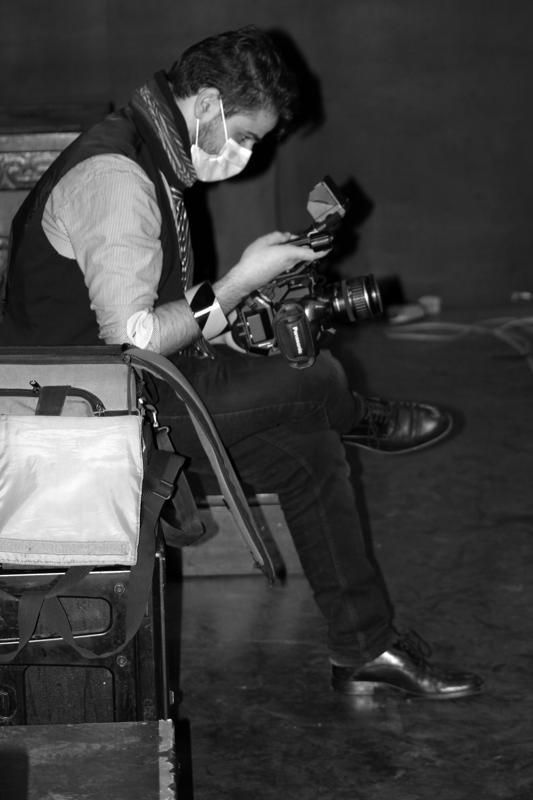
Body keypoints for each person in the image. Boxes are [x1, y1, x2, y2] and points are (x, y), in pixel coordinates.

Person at [0, 26, 482, 699]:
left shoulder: (148, 152)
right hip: (92, 416)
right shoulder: (117, 176)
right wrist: (235, 283)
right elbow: (133, 339)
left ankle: (364, 648)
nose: (249, 153)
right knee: (317, 377)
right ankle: (358, 417)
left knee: (311, 452)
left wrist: (237, 308)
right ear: (206, 104)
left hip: (133, 389)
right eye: (248, 135)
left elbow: (155, 314)